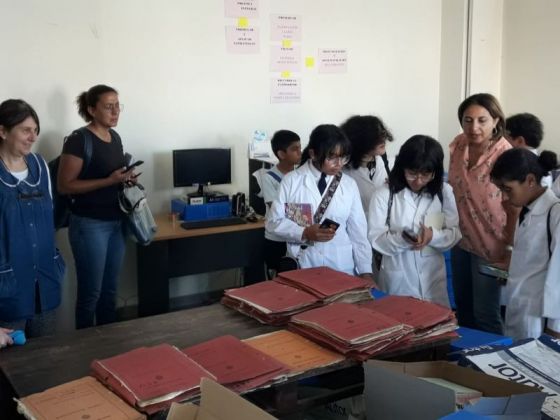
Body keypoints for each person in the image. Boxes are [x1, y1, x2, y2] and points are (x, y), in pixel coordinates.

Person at [58, 85, 135, 329]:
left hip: (117, 221)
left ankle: (107, 347)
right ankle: (84, 351)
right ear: (92, 109)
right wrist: (109, 180)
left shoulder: (115, 138)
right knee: (91, 293)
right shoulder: (79, 140)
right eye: (108, 106)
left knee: (110, 292)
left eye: (117, 105)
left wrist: (127, 179)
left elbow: (114, 176)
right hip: (90, 225)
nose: (115, 112)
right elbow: (64, 185)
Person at [267, 124, 375, 281]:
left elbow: (358, 232)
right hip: (304, 263)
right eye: (332, 157)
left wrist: (366, 271)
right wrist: (304, 232)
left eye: (343, 157)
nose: (339, 164)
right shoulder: (291, 181)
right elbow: (273, 223)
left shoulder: (348, 184)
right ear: (313, 154)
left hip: (340, 265)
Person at [448, 93, 518, 334]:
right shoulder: (457, 145)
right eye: (468, 120)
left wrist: (509, 250)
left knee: (486, 314)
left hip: (492, 247)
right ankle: (464, 365)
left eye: (482, 120)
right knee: (463, 310)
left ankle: (493, 368)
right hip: (460, 240)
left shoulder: (505, 155)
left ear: (496, 120)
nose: (474, 127)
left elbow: (514, 207)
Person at [0, 99, 65, 348]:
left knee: (45, 355)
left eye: (35, 130)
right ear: (3, 131)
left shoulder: (40, 166)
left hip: (45, 279)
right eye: (25, 130)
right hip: (8, 285)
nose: (33, 137)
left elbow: (49, 217)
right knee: (11, 365)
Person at [368, 135, 461, 307]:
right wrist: (403, 239)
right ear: (401, 167)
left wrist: (433, 236)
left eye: (426, 174)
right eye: (412, 173)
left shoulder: (444, 192)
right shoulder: (384, 195)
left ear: (436, 172)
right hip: (399, 279)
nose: (418, 180)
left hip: (433, 278)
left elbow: (454, 232)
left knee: (436, 325)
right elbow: (376, 238)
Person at [490, 148, 560, 339]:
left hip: (540, 317)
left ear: (530, 181)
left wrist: (556, 327)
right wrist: (510, 269)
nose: (504, 197)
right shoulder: (526, 210)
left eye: (507, 189)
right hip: (520, 307)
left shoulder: (555, 214)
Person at [262, 130, 302, 278]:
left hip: (297, 235)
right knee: (281, 277)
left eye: (300, 147)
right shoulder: (269, 178)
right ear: (281, 154)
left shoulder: (300, 175)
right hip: (277, 238)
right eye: (294, 149)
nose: (300, 152)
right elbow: (276, 208)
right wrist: (303, 212)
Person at [340, 115, 394, 213]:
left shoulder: (385, 161)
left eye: (383, 134)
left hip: (384, 222)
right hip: (359, 224)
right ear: (361, 141)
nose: (383, 140)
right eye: (376, 138)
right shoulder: (343, 170)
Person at [505, 112, 553, 187]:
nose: (502, 140)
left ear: (519, 141)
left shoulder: (520, 167)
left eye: (506, 136)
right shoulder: (543, 167)